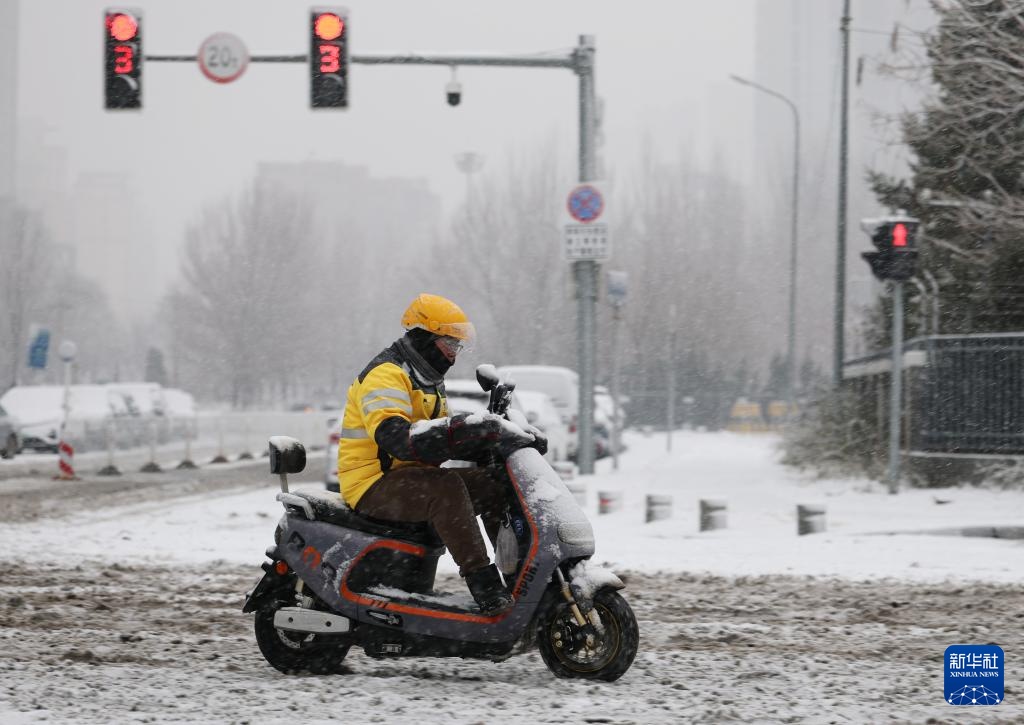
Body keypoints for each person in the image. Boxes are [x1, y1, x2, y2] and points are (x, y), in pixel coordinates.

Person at [336, 293, 541, 614]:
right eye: (450, 345)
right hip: (372, 484)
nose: (454, 356)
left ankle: (519, 575)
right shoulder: (386, 374)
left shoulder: (427, 379)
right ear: (426, 338)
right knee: (446, 489)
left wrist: (505, 438)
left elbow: (439, 441)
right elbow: (397, 439)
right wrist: (462, 429)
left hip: (409, 478)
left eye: (458, 347)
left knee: (493, 485)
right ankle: (484, 586)